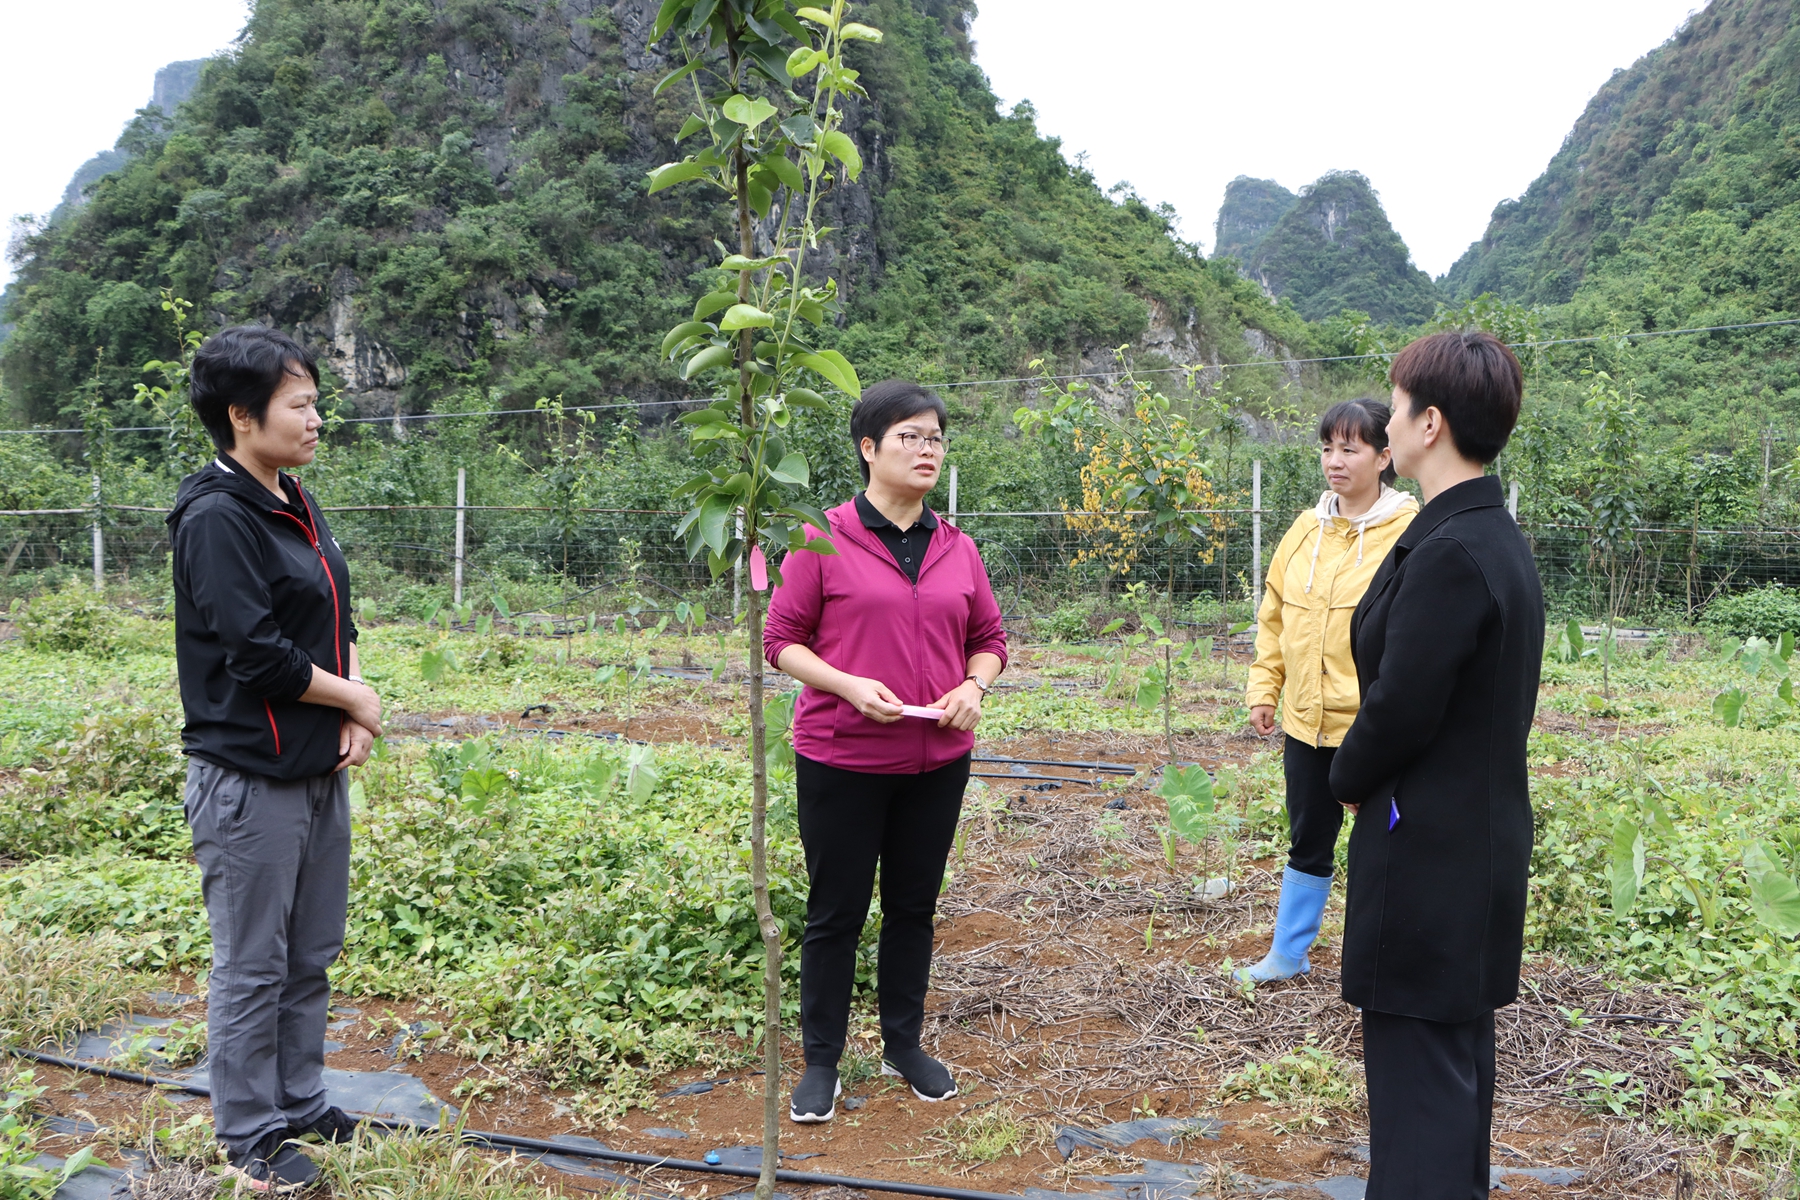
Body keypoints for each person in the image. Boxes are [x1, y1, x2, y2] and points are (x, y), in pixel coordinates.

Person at [166, 325, 384, 1193]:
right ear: (241, 416)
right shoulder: (217, 516)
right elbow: (255, 654)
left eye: (315, 402)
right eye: (300, 405)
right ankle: (249, 1130)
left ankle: (301, 1097)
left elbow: (337, 607)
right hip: (248, 780)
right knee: (252, 961)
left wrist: (356, 700)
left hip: (314, 767)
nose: (316, 418)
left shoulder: (290, 494)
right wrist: (353, 699)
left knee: (310, 950)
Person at [1328, 331, 1544, 1199]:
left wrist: (1341, 779)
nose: (1385, 420)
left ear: (1431, 423)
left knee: (1422, 1087)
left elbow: (1402, 707)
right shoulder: (1485, 534)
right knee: (1449, 1077)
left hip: (1427, 849)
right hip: (1470, 841)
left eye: (1395, 404)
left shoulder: (1452, 552)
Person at [763, 380, 1007, 1124]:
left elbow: (990, 641)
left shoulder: (956, 547)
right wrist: (846, 684)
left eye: (935, 436)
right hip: (843, 757)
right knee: (836, 912)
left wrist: (974, 687)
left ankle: (904, 1043)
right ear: (868, 448)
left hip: (936, 760)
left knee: (912, 907)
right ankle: (821, 1062)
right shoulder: (820, 537)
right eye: (910, 436)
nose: (927, 448)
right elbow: (781, 643)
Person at [1238, 398, 1418, 983]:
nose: (1335, 462)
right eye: (1327, 448)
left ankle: (1382, 959)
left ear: (1384, 455)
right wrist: (1266, 687)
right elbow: (1275, 615)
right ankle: (1288, 954)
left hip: (1371, 728)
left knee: (1382, 847)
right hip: (1305, 723)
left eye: (1350, 448)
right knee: (1307, 836)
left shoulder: (1409, 532)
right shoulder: (1302, 531)